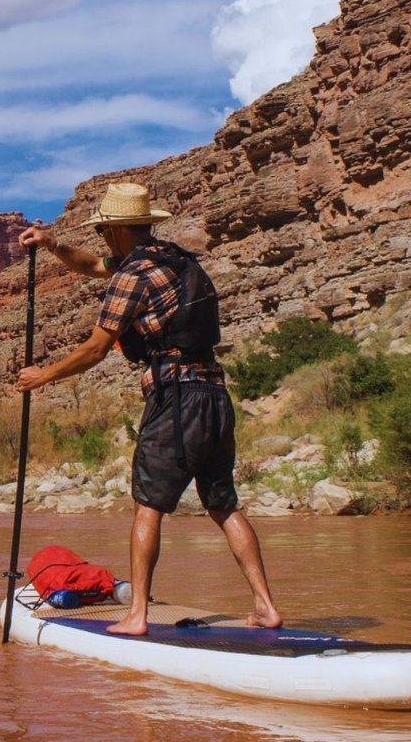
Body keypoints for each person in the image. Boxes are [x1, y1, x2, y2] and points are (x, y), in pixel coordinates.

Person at [15, 182, 281, 636]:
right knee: (223, 505)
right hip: (215, 394)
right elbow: (93, 266)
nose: (101, 241)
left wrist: (43, 377)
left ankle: (136, 615)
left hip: (176, 399)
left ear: (116, 230)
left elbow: (97, 349)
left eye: (104, 232)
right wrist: (53, 243)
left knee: (147, 506)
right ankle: (265, 607)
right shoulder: (171, 259)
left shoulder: (133, 277)